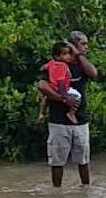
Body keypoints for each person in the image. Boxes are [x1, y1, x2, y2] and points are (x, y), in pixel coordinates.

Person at [37, 31, 98, 187]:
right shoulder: (55, 65)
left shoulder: (81, 65)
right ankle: (57, 192)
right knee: (57, 162)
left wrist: (79, 56)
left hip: (81, 121)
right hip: (58, 121)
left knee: (83, 160)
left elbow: (93, 74)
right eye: (83, 44)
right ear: (73, 45)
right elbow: (42, 86)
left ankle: (86, 190)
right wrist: (63, 99)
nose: (86, 47)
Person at [37, 42, 82, 125]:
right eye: (65, 54)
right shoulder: (63, 66)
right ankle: (71, 113)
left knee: (46, 97)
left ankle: (41, 113)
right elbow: (61, 82)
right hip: (61, 88)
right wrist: (64, 96)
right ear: (58, 56)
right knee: (78, 96)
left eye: (69, 53)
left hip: (52, 86)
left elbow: (43, 67)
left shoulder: (51, 63)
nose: (68, 56)